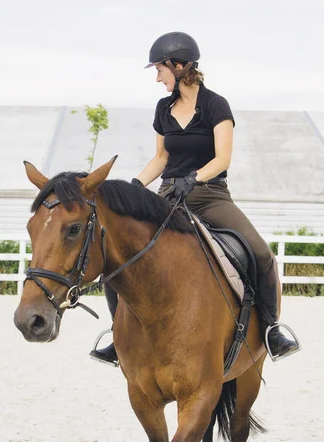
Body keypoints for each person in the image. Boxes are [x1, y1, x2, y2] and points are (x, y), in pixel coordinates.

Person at [90, 31, 300, 366]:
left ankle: (273, 330)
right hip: (168, 196)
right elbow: (161, 158)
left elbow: (222, 158)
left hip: (210, 195)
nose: (157, 77)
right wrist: (135, 184)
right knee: (118, 250)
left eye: (160, 69)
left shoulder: (216, 105)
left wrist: (194, 178)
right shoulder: (163, 108)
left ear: (180, 65)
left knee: (260, 252)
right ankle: (118, 335)